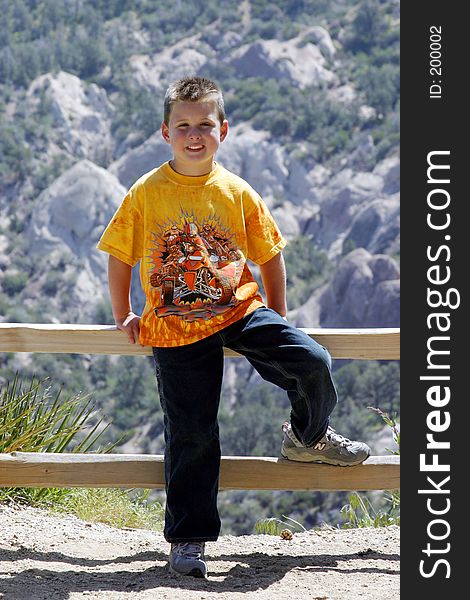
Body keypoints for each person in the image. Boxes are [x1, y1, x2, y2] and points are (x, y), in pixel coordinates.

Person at [97, 76, 370, 579]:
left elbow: (269, 254)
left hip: (240, 310)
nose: (194, 134)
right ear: (165, 132)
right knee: (193, 431)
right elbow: (118, 255)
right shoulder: (146, 192)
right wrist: (123, 314)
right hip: (175, 324)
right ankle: (188, 539)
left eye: (205, 124)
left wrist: (279, 312)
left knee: (312, 361)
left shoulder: (236, 190)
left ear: (223, 129)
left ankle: (308, 436)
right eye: (183, 125)